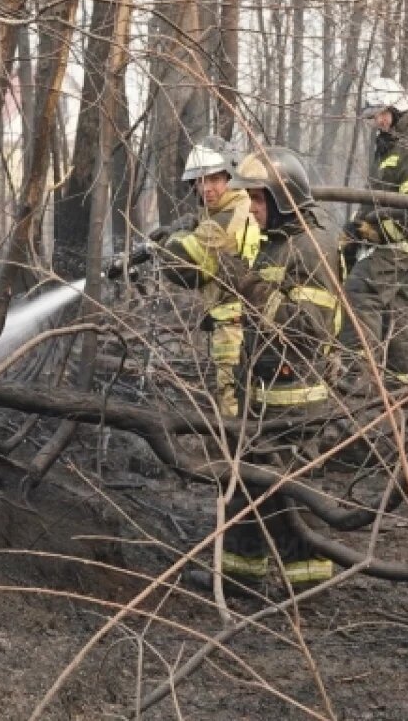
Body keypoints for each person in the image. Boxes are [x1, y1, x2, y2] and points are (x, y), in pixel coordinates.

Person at [199, 146, 343, 592]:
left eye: (259, 200)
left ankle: (308, 579)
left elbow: (310, 326)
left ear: (283, 199)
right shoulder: (278, 241)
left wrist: (252, 292)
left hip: (293, 395)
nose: (252, 209)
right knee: (246, 480)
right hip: (261, 390)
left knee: (290, 489)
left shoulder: (311, 247)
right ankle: (240, 571)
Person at [110, 136, 259, 418]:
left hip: (236, 323)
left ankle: (238, 457)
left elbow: (183, 259)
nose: (207, 188)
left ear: (230, 174)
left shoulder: (228, 219)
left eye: (214, 179)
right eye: (200, 181)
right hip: (243, 319)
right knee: (242, 394)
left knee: (232, 401)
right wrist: (188, 224)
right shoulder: (234, 207)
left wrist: (166, 241)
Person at [339, 77, 408, 384]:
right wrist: (356, 229)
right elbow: (375, 194)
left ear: (397, 109)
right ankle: (407, 382)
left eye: (380, 114)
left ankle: (355, 373)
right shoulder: (388, 144)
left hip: (401, 245)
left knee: (360, 291)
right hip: (388, 243)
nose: (376, 122)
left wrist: (375, 232)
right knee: (398, 310)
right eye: (372, 116)